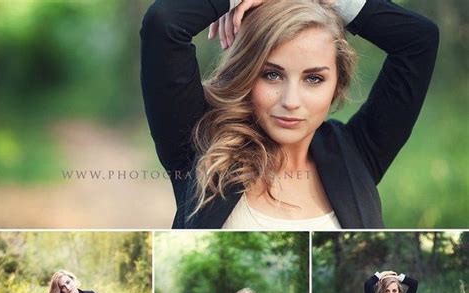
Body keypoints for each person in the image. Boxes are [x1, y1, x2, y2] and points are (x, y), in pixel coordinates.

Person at [140, 0, 439, 229]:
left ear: (337, 86)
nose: (291, 101)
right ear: (246, 75)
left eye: (313, 79)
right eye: (271, 75)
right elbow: (164, 24)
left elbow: (419, 40)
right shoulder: (201, 143)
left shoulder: (358, 154)